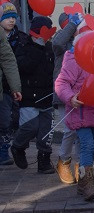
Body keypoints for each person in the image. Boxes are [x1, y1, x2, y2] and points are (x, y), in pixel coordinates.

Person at [54, 28, 94, 201]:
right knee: (87, 144)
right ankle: (88, 184)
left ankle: (82, 183)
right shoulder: (74, 61)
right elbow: (61, 83)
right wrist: (70, 98)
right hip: (79, 111)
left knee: (92, 146)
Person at [10, 16, 56, 174]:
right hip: (29, 96)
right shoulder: (24, 46)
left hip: (47, 96)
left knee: (46, 130)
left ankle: (44, 160)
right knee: (30, 126)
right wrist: (38, 49)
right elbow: (24, 67)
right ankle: (18, 146)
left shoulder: (50, 47)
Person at [50, 10, 82, 184]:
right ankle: (63, 161)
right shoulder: (61, 46)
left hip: (81, 96)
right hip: (63, 96)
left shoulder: (81, 44)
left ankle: (79, 166)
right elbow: (58, 41)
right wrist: (73, 24)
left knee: (80, 132)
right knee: (70, 130)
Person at [0, 1, 21, 166]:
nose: (11, 20)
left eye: (14, 17)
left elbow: (9, 60)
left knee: (7, 120)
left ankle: (4, 149)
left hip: (7, 87)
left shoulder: (20, 38)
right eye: (7, 18)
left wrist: (16, 87)